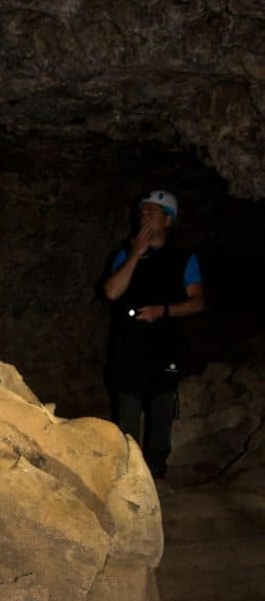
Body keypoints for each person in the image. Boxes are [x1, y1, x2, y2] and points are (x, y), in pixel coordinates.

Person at [103, 190, 204, 484]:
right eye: (142, 211)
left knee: (161, 411)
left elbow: (197, 302)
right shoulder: (124, 254)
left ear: (168, 220)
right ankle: (127, 476)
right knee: (127, 414)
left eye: (152, 212)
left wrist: (164, 310)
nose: (144, 216)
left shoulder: (185, 258)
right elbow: (111, 292)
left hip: (166, 347)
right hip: (129, 347)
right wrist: (136, 253)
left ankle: (156, 471)